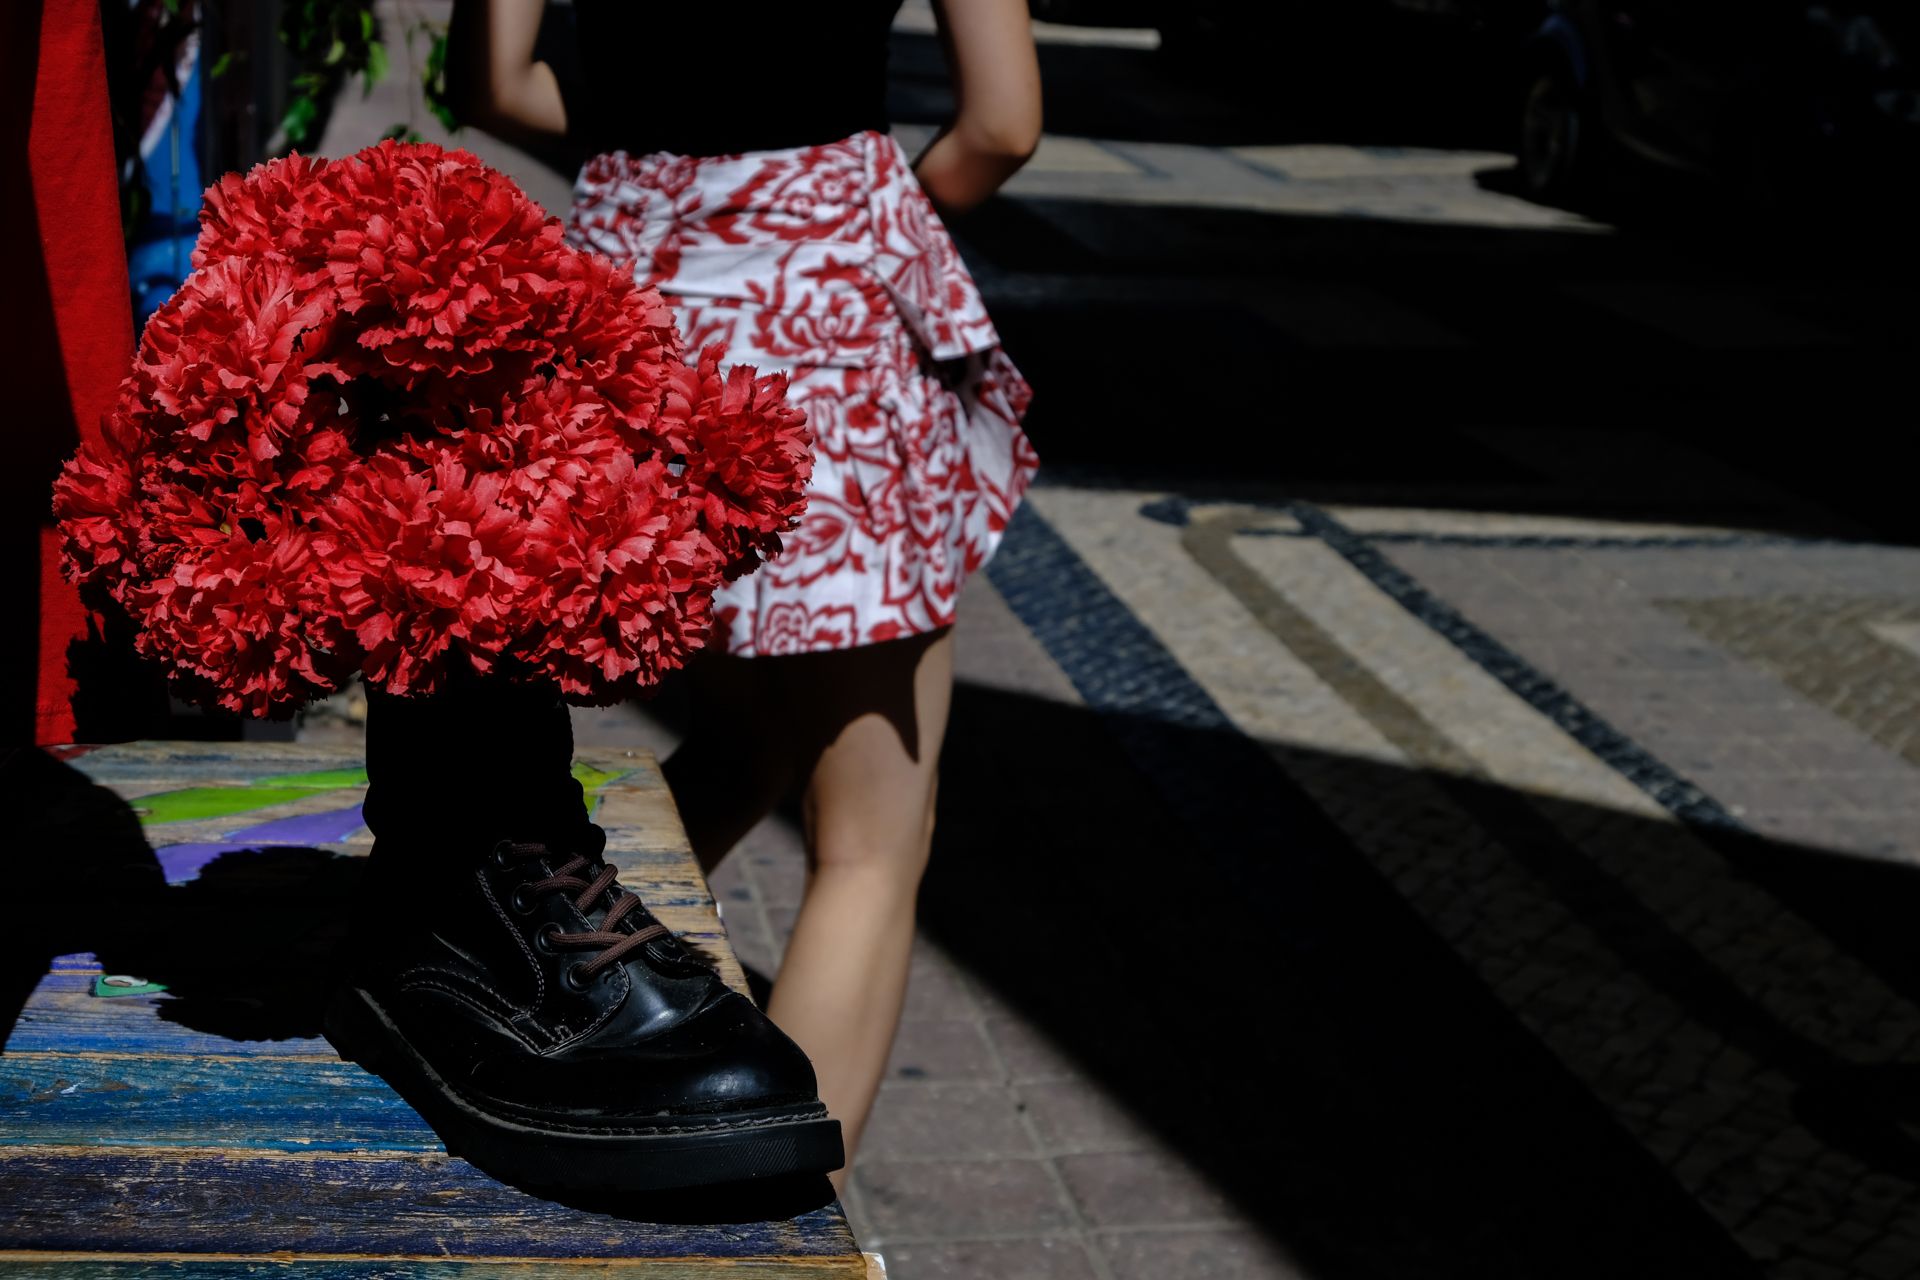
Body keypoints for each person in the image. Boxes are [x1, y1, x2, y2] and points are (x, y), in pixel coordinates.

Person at [450, 0, 1042, 1178]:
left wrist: (659, 134)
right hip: (825, 307)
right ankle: (762, 1222)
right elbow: (1002, 123)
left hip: (645, 308)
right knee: (871, 836)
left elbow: (497, 84)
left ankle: (533, 992)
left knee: (736, 751)